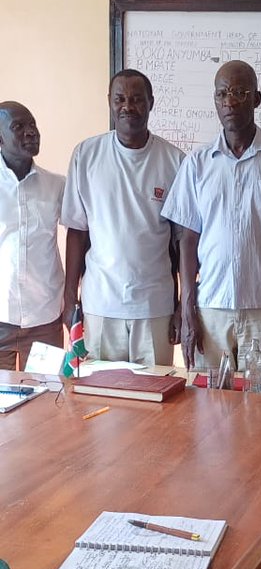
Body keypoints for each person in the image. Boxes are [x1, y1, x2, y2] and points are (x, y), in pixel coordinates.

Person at [161, 60, 261, 370]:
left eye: (240, 92)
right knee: (208, 410)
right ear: (215, 101)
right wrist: (187, 305)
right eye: (222, 93)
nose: (230, 101)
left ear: (256, 99)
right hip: (210, 310)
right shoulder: (197, 163)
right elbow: (187, 240)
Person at [62, 70, 184, 365]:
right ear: (110, 102)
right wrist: (68, 298)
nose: (128, 106)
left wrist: (182, 305)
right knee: (99, 400)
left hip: (154, 306)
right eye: (120, 99)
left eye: (137, 99)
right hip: (100, 305)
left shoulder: (175, 161)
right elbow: (77, 232)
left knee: (157, 402)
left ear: (151, 103)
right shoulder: (86, 155)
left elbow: (182, 242)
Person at [0, 101, 64, 370]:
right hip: (1, 318)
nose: (31, 132)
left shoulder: (57, 185)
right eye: (18, 127)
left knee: (48, 403)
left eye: (33, 125)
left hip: (45, 320)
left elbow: (81, 238)